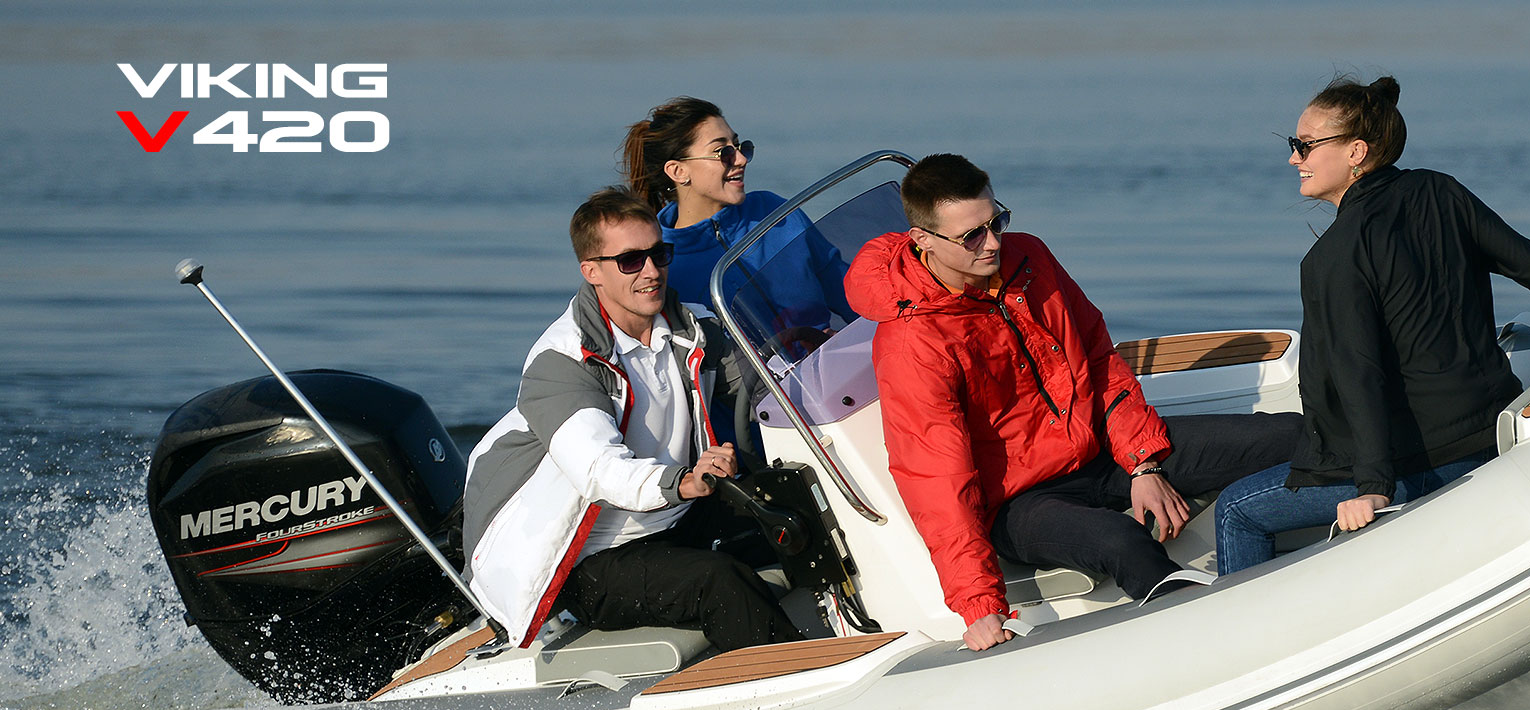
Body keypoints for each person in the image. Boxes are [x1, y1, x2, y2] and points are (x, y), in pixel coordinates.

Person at [845, 154, 1299, 651]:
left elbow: (1098, 359)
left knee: (1291, 435)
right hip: (1019, 503)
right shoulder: (912, 343)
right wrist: (979, 604)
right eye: (971, 236)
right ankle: (1214, 644)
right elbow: (935, 478)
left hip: (1101, 451)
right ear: (923, 240)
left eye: (996, 221)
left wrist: (1143, 464)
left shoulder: (1029, 258)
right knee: (1121, 541)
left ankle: (1337, 527)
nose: (992, 242)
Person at [1212, 76, 1530, 574]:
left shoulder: (1332, 257)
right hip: (1488, 435)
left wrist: (1373, 487)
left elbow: (1358, 373)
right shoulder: (1440, 191)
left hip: (1414, 465)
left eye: (1305, 145)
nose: (1295, 159)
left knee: (1236, 510)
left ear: (1356, 151)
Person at [461, 186, 802, 651]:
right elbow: (600, 471)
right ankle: (783, 685)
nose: (651, 271)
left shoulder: (693, 328)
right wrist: (685, 481)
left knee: (800, 513)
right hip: (586, 559)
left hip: (676, 519)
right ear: (592, 271)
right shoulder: (563, 360)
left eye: (659, 254)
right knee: (718, 581)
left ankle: (871, 629)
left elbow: (765, 386)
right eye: (630, 261)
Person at [621, 97, 852, 336]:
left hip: (827, 358)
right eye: (722, 152)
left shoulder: (772, 212)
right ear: (678, 171)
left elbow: (849, 290)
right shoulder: (661, 261)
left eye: (740, 147)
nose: (741, 159)